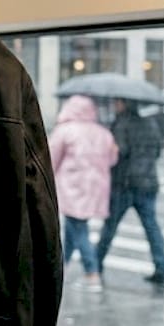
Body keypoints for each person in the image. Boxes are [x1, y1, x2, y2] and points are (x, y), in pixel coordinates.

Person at [95, 97, 164, 285]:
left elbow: (119, 153)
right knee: (151, 227)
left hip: (125, 184)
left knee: (110, 227)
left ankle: (95, 264)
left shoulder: (121, 125)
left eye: (117, 102)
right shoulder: (150, 124)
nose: (114, 105)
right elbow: (158, 152)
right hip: (149, 182)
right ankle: (161, 267)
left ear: (124, 104)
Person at [48, 95, 117, 292]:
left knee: (78, 229)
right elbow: (112, 159)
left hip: (72, 187)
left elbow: (50, 159)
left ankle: (92, 273)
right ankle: (61, 268)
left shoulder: (65, 131)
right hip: (95, 188)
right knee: (72, 229)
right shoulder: (103, 133)